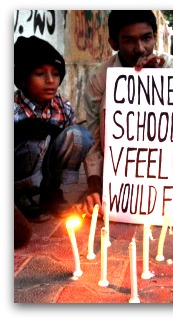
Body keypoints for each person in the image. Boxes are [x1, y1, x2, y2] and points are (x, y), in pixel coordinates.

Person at [81, 10, 173, 217]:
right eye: (129, 40)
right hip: (120, 173)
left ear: (154, 36)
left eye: (147, 38)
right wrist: (94, 185)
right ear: (113, 43)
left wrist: (157, 81)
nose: (140, 49)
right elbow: (93, 139)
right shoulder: (99, 78)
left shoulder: (172, 67)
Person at [14, 36, 94, 223]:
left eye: (56, 74)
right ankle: (20, 197)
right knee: (33, 140)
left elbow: (69, 142)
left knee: (79, 135)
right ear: (23, 80)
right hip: (18, 171)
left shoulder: (62, 107)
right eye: (40, 74)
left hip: (47, 167)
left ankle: (51, 194)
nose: (50, 80)